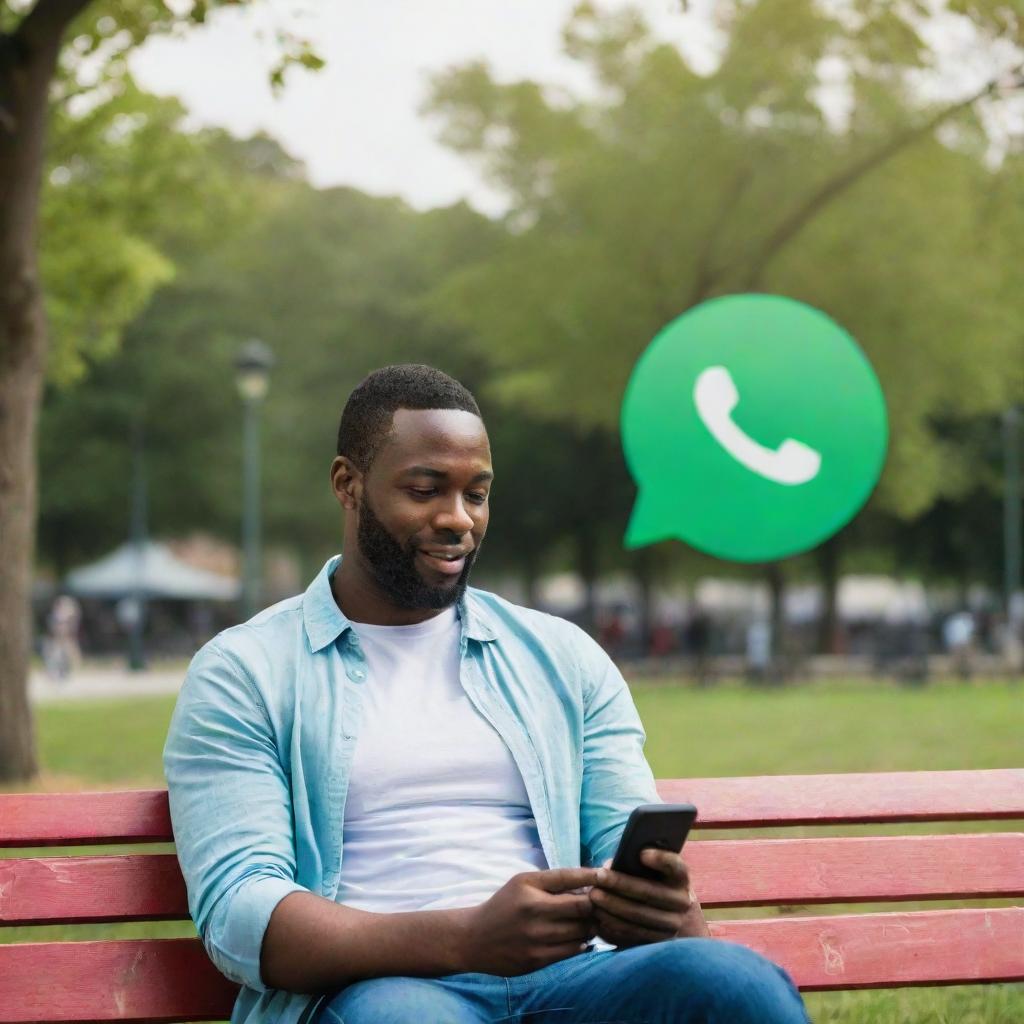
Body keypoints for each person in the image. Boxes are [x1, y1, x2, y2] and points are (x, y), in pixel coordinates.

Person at [163, 365, 810, 1024]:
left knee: (737, 984)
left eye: (477, 493)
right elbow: (241, 915)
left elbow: (627, 841)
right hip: (386, 991)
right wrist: (466, 939)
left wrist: (666, 908)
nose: (457, 519)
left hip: (572, 979)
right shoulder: (246, 673)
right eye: (425, 490)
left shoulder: (561, 658)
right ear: (347, 485)